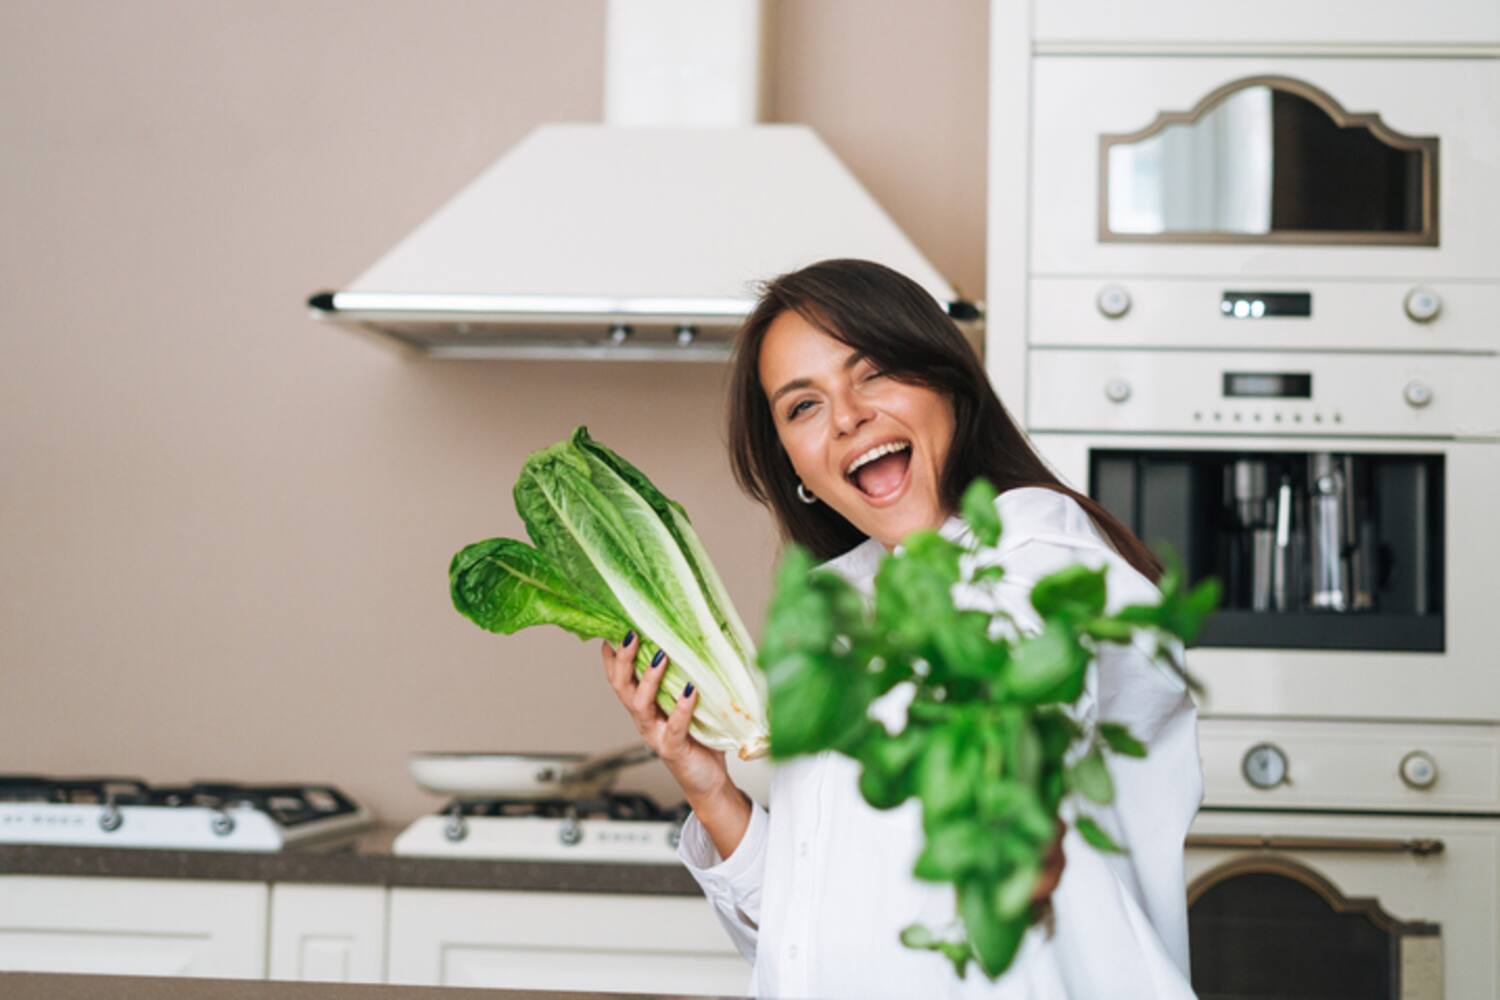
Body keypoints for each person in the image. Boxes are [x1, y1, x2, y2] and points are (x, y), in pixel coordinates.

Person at [600, 259, 1202, 999]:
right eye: (804, 406)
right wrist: (708, 787)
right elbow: (801, 944)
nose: (847, 416)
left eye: (874, 372)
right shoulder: (839, 609)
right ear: (794, 465)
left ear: (948, 384)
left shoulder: (1044, 548)